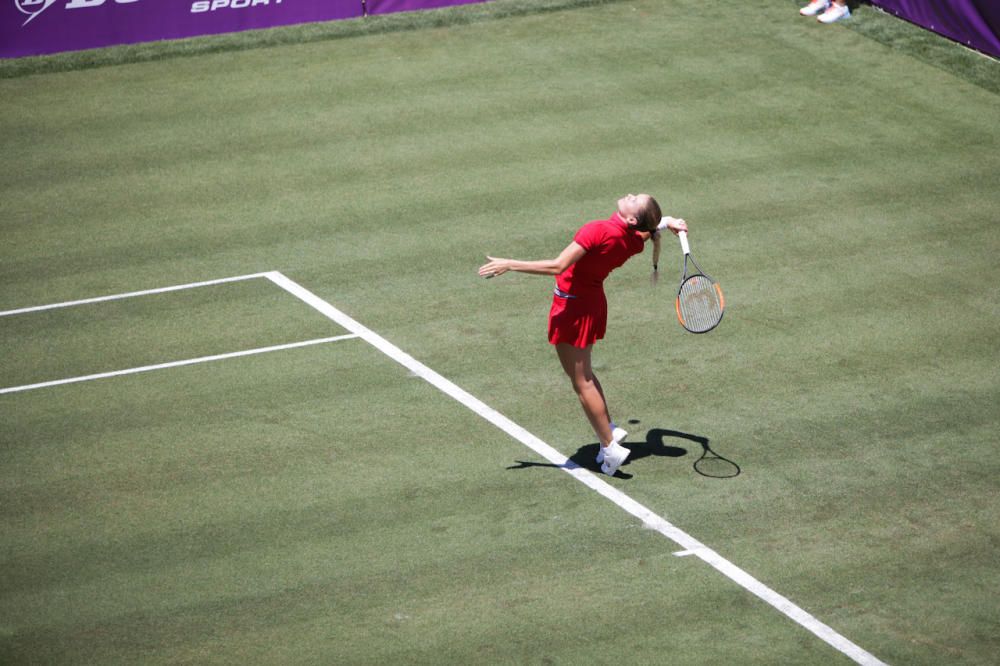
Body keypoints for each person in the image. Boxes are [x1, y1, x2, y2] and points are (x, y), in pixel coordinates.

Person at [478, 194, 688, 476]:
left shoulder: (598, 230)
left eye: (635, 198)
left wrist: (510, 263)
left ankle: (610, 447)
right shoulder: (633, 241)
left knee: (582, 381)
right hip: (591, 304)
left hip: (573, 307)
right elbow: (647, 230)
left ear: (631, 219)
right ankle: (608, 428)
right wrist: (667, 222)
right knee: (585, 374)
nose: (630, 194)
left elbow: (557, 266)